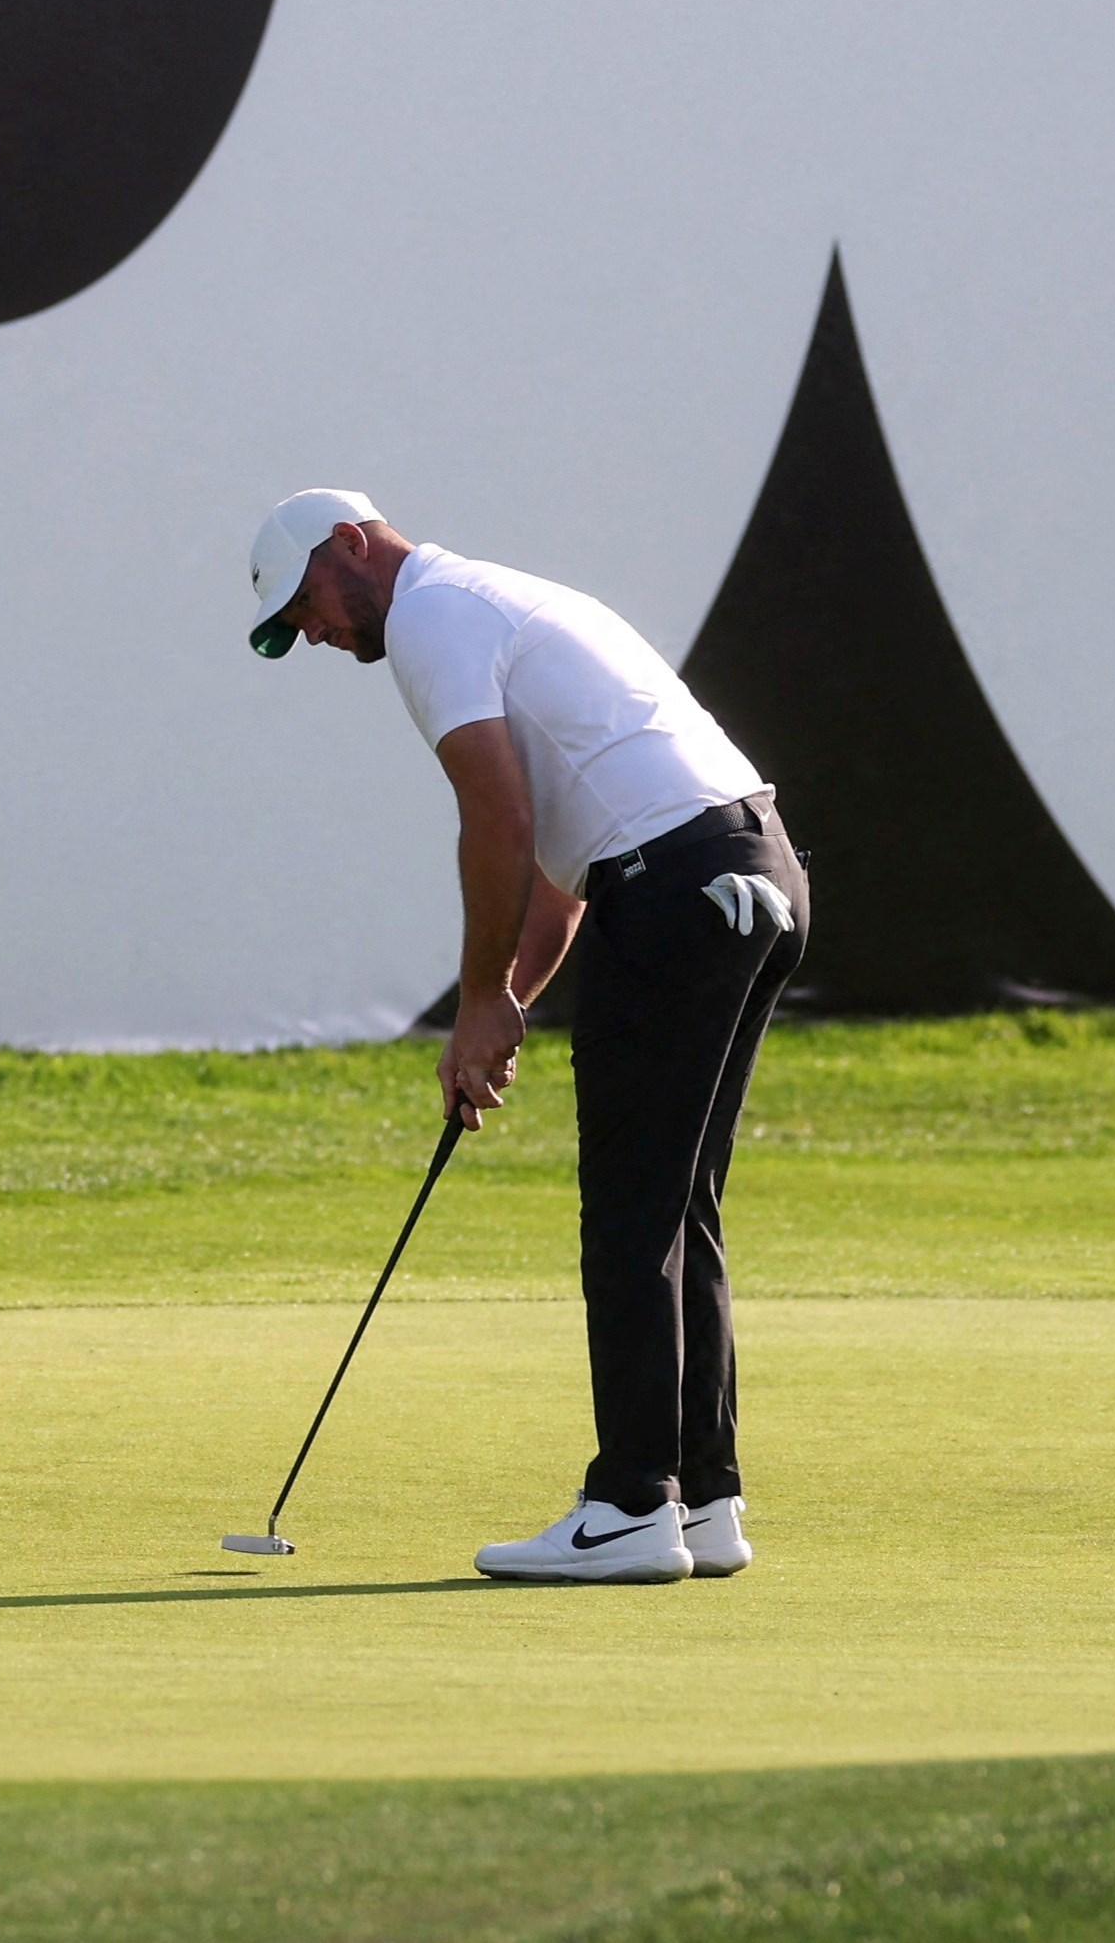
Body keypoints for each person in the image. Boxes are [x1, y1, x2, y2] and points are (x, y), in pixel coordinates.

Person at [245, 486, 807, 1586]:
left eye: (304, 603)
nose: (311, 631)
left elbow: (493, 818)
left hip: (676, 885)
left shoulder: (428, 616)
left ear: (349, 544)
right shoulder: (504, 602)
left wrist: (472, 1001)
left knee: (634, 1207)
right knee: (678, 1203)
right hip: (754, 870)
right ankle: (703, 1500)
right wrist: (499, 1010)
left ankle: (632, 1504)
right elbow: (559, 890)